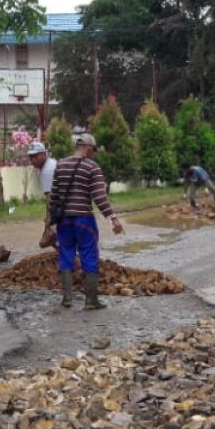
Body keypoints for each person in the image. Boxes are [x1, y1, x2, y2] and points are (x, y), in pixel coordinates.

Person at [52, 133, 124, 310]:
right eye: (94, 151)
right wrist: (113, 218)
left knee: (65, 255)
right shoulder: (92, 167)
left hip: (64, 221)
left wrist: (51, 223)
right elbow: (99, 196)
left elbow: (53, 197)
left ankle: (67, 298)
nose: (94, 154)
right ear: (88, 147)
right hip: (83, 220)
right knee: (89, 255)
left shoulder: (60, 165)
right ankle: (91, 301)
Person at [28, 141, 58, 246]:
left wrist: (48, 225)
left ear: (44, 154)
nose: (32, 160)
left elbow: (50, 199)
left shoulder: (47, 170)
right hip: (66, 205)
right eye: (30, 157)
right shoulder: (50, 164)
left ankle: (74, 261)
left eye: (35, 156)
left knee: (51, 238)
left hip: (66, 207)